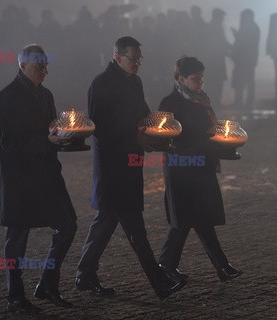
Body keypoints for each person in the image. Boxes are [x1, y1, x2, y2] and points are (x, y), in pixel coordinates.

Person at [75, 36, 186, 300]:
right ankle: (159, 282)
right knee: (134, 225)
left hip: (130, 161)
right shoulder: (100, 84)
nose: (137, 63)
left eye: (139, 59)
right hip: (113, 165)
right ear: (117, 57)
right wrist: (136, 137)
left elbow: (143, 114)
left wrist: (158, 129)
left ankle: (84, 273)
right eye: (132, 58)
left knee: (106, 219)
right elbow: (100, 127)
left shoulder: (134, 81)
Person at [0, 44, 77, 313]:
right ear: (22, 66)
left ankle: (47, 284)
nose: (44, 71)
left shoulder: (45, 94)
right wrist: (48, 140)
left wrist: (63, 137)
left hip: (47, 174)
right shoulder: (5, 98)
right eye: (38, 66)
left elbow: (50, 129)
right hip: (21, 178)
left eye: (45, 66)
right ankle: (15, 296)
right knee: (17, 237)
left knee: (68, 226)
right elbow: (9, 143)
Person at [158, 56, 242, 283]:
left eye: (202, 77)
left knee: (200, 218)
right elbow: (168, 138)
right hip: (182, 168)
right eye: (195, 78)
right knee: (187, 219)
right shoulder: (171, 103)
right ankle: (168, 264)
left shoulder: (200, 100)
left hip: (200, 165)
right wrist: (209, 142)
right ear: (180, 78)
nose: (200, 82)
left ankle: (221, 266)